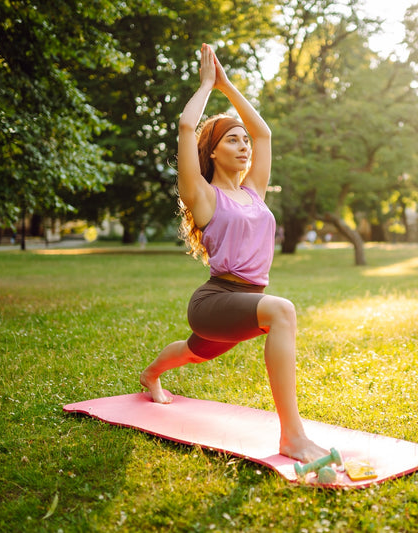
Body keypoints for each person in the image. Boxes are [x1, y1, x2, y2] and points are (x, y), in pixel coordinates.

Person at [139, 44, 328, 463]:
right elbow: (187, 128)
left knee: (193, 352)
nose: (245, 146)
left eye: (244, 141)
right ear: (213, 151)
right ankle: (292, 437)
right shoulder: (203, 197)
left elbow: (265, 133)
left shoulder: (253, 192)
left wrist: (228, 87)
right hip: (216, 300)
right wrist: (207, 85)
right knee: (282, 311)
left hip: (241, 301)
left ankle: (150, 374)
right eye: (233, 140)